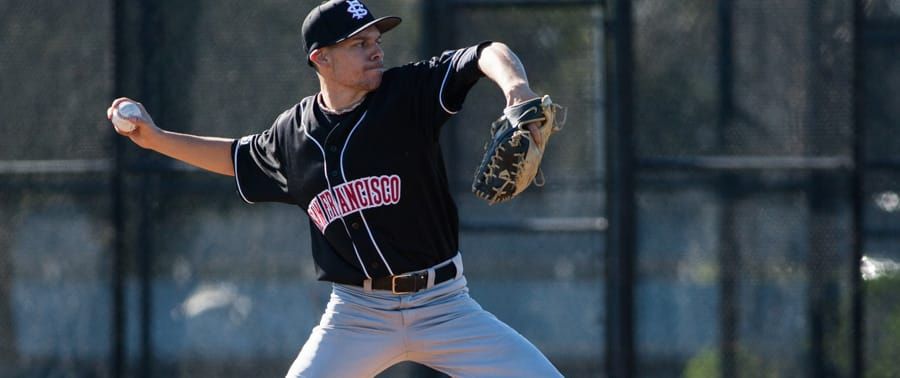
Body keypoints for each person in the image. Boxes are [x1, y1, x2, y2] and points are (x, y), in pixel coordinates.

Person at [107, 1, 562, 376]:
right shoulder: (292, 134)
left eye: (376, 40)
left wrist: (516, 88)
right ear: (320, 58)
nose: (375, 50)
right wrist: (156, 138)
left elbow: (487, 52)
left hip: (444, 304)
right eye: (359, 43)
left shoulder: (409, 94)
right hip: (357, 315)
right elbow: (236, 157)